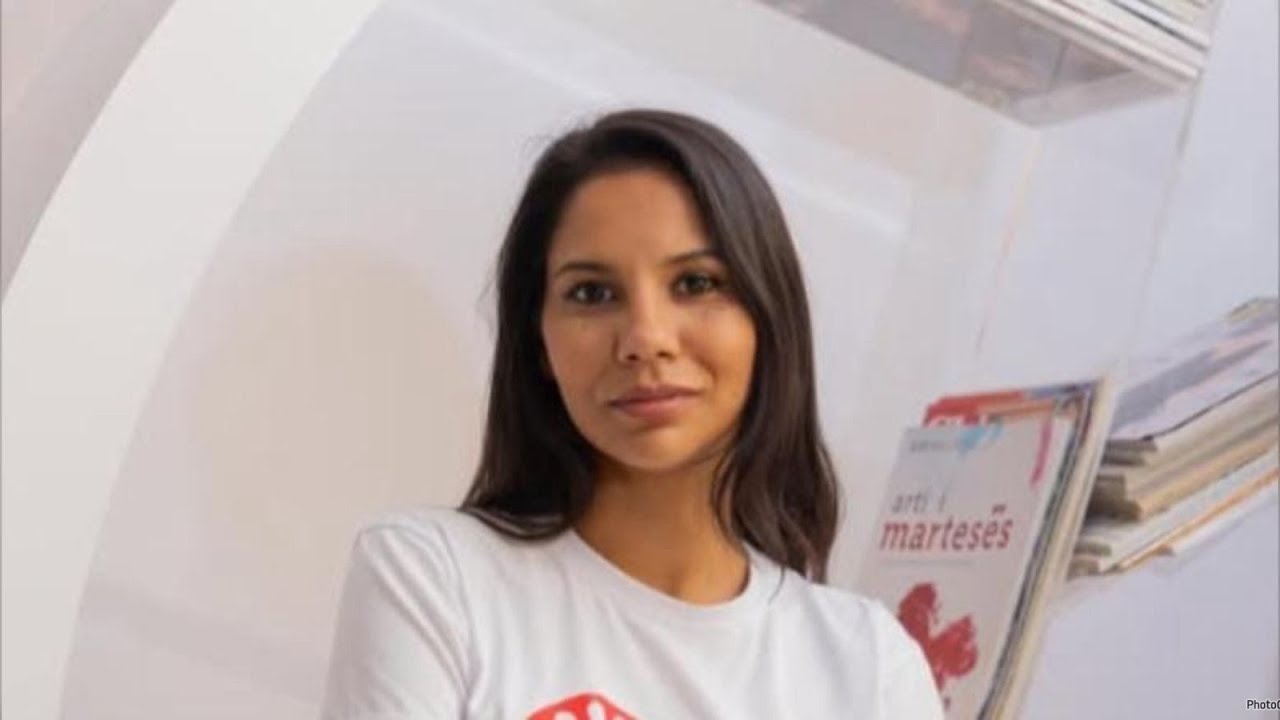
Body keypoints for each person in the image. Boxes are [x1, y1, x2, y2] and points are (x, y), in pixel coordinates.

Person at [320, 109, 944, 719]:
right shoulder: (435, 578)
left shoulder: (870, 668)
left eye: (695, 283)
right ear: (539, 343)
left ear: (767, 317)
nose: (645, 338)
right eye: (592, 293)